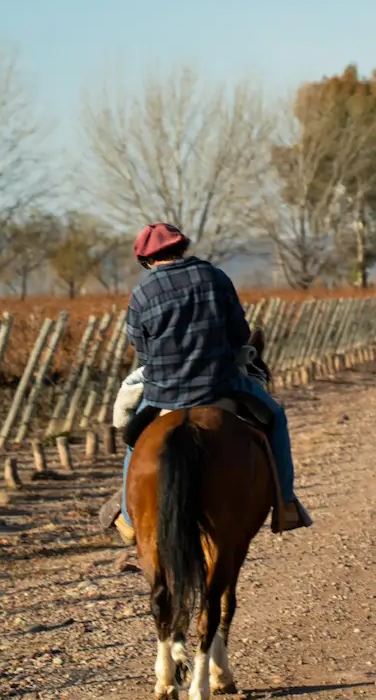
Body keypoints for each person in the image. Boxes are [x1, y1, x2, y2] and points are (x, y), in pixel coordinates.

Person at [99, 222, 310, 541]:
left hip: (163, 393)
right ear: (182, 247)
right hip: (220, 383)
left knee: (134, 438)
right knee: (276, 418)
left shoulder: (142, 292)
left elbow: (141, 349)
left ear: (146, 259)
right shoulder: (215, 277)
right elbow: (240, 334)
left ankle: (129, 518)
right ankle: (286, 504)